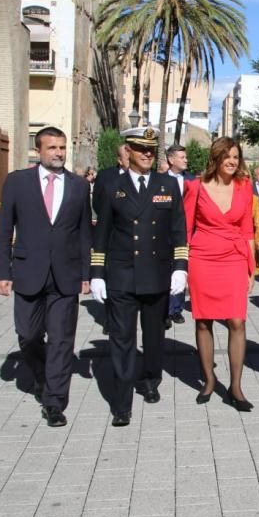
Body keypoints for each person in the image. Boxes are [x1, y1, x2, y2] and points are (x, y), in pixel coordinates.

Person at [0, 126, 91, 427]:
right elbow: (4, 229)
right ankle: (40, 374)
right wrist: (1, 272)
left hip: (65, 275)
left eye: (62, 147)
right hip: (27, 273)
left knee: (62, 340)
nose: (59, 153)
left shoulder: (78, 186)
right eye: (52, 148)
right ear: (39, 151)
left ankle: (54, 402)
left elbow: (85, 232)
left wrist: (86, 274)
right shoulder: (18, 182)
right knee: (28, 334)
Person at [90, 127, 188, 426]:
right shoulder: (111, 186)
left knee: (155, 336)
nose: (147, 153)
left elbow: (178, 229)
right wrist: (96, 273)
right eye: (139, 148)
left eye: (151, 149)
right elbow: (102, 232)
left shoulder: (167, 185)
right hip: (121, 274)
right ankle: (121, 403)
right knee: (122, 339)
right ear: (128, 151)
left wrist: (180, 267)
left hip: (157, 274)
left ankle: (150, 379)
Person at [184, 138, 256, 411]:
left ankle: (236, 386)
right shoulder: (195, 187)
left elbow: (248, 229)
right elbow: (185, 228)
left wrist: (253, 268)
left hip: (235, 259)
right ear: (216, 158)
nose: (232, 161)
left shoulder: (244, 186)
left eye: (236, 156)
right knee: (204, 322)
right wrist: (181, 268)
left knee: (237, 321)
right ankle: (209, 380)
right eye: (227, 156)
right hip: (202, 260)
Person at [165, 144, 194, 325]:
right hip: (164, 233)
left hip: (186, 232)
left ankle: (177, 309)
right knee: (165, 271)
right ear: (171, 160)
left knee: (181, 269)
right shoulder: (158, 180)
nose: (185, 160)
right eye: (182, 157)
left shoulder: (192, 180)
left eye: (185, 157)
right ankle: (165, 310)